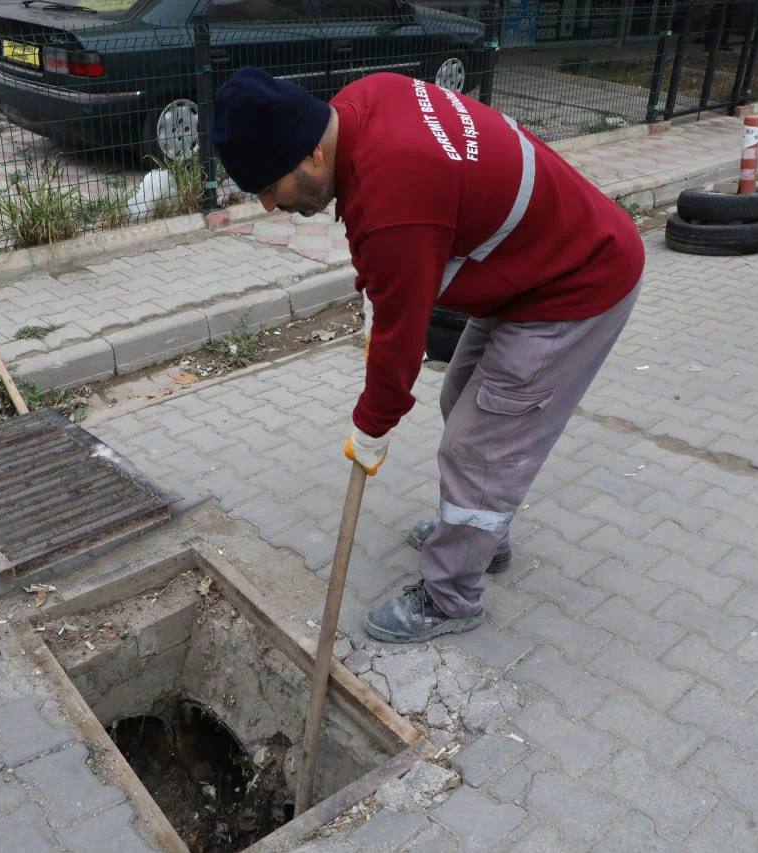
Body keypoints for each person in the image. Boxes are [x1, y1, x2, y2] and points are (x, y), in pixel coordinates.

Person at [209, 67, 645, 643]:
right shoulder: (365, 100)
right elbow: (395, 268)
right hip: (529, 265)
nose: (267, 205)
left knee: (479, 444)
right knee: (461, 398)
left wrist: (370, 429)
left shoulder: (394, 196)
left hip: (576, 282)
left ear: (313, 154)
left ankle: (451, 597)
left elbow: (402, 340)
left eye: (270, 186)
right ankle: (480, 535)